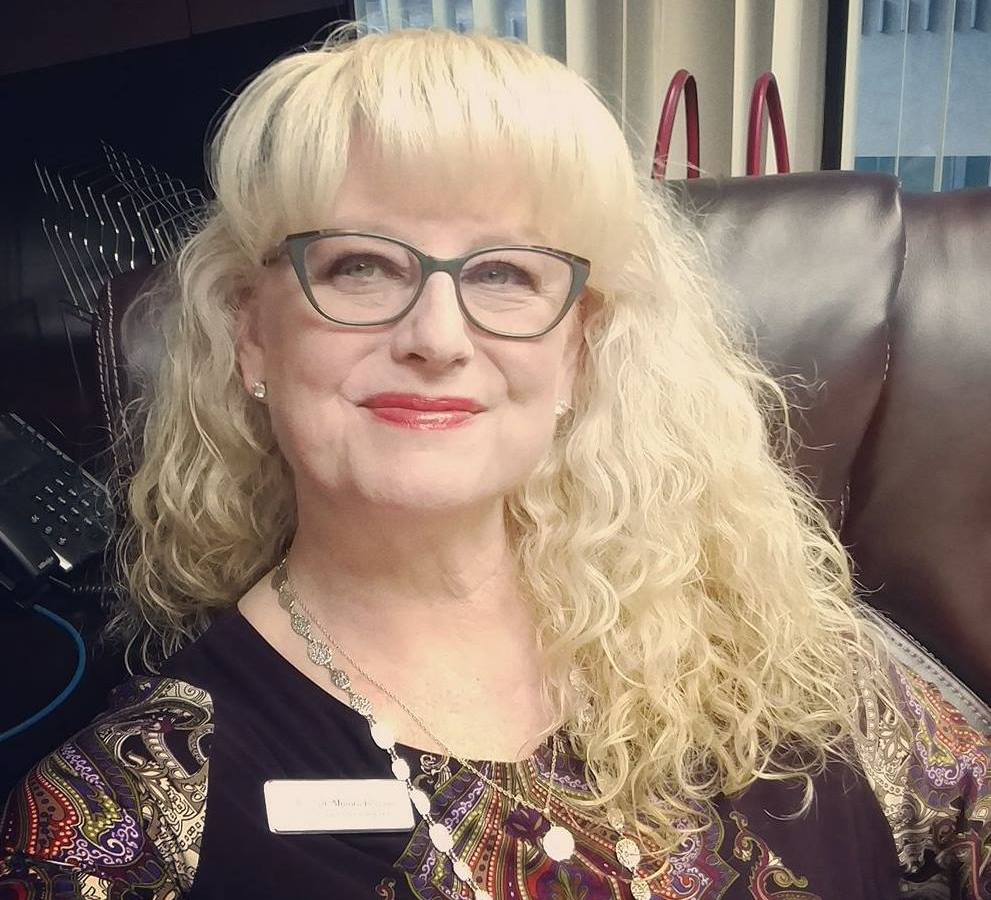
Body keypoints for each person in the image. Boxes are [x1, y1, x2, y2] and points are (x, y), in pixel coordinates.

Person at [1, 23, 989, 900]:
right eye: (359, 265)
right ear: (251, 334)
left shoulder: (791, 652)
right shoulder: (125, 821)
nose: (437, 337)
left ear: (577, 349)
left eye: (506, 273)